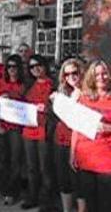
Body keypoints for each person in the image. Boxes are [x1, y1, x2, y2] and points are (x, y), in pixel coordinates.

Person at [71, 59, 111, 212]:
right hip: (85, 157)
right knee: (90, 202)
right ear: (91, 77)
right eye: (97, 74)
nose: (101, 77)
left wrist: (107, 127)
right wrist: (72, 153)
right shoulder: (84, 98)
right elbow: (76, 127)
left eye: (104, 73)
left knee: (105, 204)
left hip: (106, 160)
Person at [50, 58, 86, 212]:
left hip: (80, 141)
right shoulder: (60, 93)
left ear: (81, 73)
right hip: (61, 140)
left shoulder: (88, 93)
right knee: (63, 178)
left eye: (75, 73)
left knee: (78, 180)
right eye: (67, 74)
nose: (71, 76)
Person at [21, 55, 54, 211]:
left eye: (38, 65)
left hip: (44, 131)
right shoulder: (28, 85)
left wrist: (48, 109)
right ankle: (32, 197)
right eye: (32, 67)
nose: (35, 69)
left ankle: (46, 201)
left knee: (45, 168)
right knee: (31, 167)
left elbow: (61, 108)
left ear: (45, 65)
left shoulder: (54, 85)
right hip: (29, 131)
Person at [0, 54, 25, 205]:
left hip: (17, 128)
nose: (12, 69)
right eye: (9, 66)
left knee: (15, 160)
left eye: (15, 66)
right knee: (3, 159)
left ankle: (13, 192)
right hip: (2, 126)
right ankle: (4, 187)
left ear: (19, 68)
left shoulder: (24, 85)